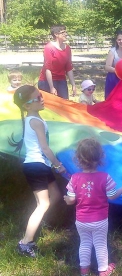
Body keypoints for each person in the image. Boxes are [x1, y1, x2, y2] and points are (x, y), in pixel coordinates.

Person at [8, 85, 66, 258]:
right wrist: (57, 164)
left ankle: (39, 221)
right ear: (27, 106)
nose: (42, 99)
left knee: (55, 195)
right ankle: (25, 243)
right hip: (36, 166)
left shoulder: (33, 118)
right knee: (43, 204)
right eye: (37, 98)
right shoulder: (35, 121)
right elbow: (45, 148)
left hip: (40, 165)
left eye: (41, 95)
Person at [64, 138, 122, 276]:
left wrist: (66, 199)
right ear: (99, 157)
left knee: (85, 243)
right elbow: (112, 196)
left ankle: (84, 271)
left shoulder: (75, 178)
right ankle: (103, 271)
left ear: (78, 158)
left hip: (81, 220)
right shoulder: (105, 177)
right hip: (100, 220)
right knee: (100, 244)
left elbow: (70, 200)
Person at [38, 25, 77, 100]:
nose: (66, 34)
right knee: (49, 107)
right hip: (46, 81)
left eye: (66, 32)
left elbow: (69, 67)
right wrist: (52, 87)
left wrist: (73, 85)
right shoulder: (49, 48)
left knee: (64, 104)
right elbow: (48, 68)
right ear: (56, 34)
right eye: (63, 32)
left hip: (61, 80)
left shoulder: (67, 48)